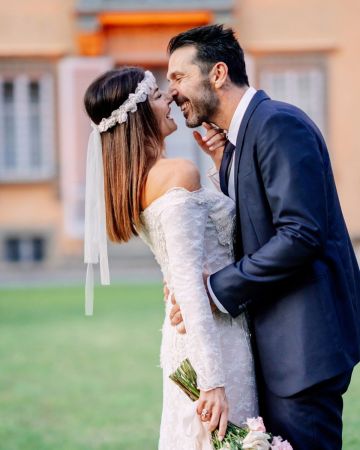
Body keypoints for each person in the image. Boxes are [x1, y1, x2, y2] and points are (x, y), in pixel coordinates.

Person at [166, 24, 360, 450]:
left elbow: (301, 234)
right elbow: (256, 227)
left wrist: (214, 289)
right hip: (277, 351)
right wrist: (223, 167)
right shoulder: (238, 142)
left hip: (303, 353)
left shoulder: (278, 124)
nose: (172, 92)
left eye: (178, 77)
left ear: (217, 73)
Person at [83, 67, 258, 449]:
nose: (171, 101)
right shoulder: (177, 172)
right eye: (159, 96)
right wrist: (212, 382)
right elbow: (190, 290)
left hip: (193, 339)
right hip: (214, 343)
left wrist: (218, 163)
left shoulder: (141, 183)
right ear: (140, 113)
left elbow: (203, 237)